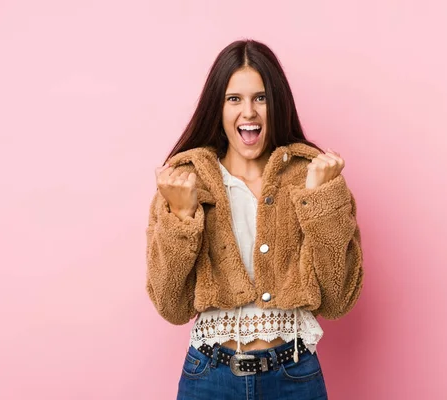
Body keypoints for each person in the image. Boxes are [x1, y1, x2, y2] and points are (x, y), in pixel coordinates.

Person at [145, 39, 364, 400]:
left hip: (295, 377)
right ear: (217, 107)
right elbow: (171, 306)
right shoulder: (185, 181)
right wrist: (181, 217)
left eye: (260, 97)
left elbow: (338, 300)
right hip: (209, 379)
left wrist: (322, 202)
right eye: (235, 99)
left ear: (277, 104)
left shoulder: (311, 176)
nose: (249, 112)